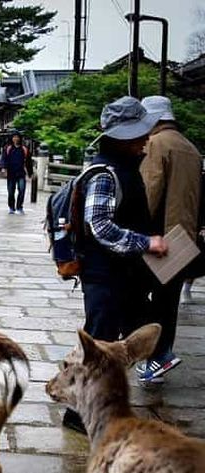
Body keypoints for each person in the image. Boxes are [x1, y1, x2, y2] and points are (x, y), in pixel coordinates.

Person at [62, 96, 168, 434]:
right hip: (104, 275)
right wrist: (145, 242)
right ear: (123, 138)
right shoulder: (106, 174)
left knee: (105, 343)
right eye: (139, 135)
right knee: (98, 345)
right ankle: (78, 412)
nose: (145, 140)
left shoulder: (121, 167)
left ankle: (92, 407)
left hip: (119, 275)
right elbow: (100, 225)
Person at [137, 95, 203, 383]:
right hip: (184, 236)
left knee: (138, 296)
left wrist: (134, 229)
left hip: (157, 236)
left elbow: (150, 191)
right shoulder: (190, 148)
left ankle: (156, 354)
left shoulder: (156, 144)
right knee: (168, 300)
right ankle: (160, 358)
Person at [2, 132, 33, 214]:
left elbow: (29, 162)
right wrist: (4, 169)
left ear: (20, 138)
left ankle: (19, 207)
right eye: (14, 137)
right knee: (11, 191)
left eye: (17, 137)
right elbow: (4, 159)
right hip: (11, 173)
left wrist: (30, 173)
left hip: (21, 173)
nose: (16, 139)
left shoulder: (24, 149)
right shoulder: (8, 148)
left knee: (22, 190)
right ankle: (11, 207)